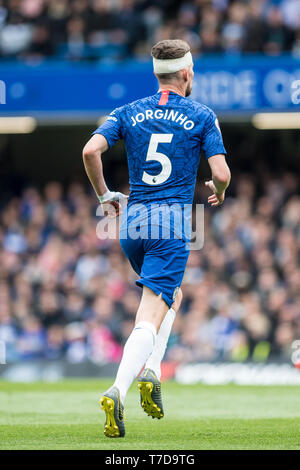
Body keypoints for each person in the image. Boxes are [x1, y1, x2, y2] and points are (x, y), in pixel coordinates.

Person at [82, 39, 231, 438]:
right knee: (150, 314)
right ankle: (118, 390)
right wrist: (221, 189)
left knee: (171, 296)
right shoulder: (202, 114)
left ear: (156, 73)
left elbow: (90, 151)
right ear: (187, 73)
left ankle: (153, 369)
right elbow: (222, 171)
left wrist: (105, 196)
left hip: (132, 223)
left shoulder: (127, 112)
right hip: (171, 224)